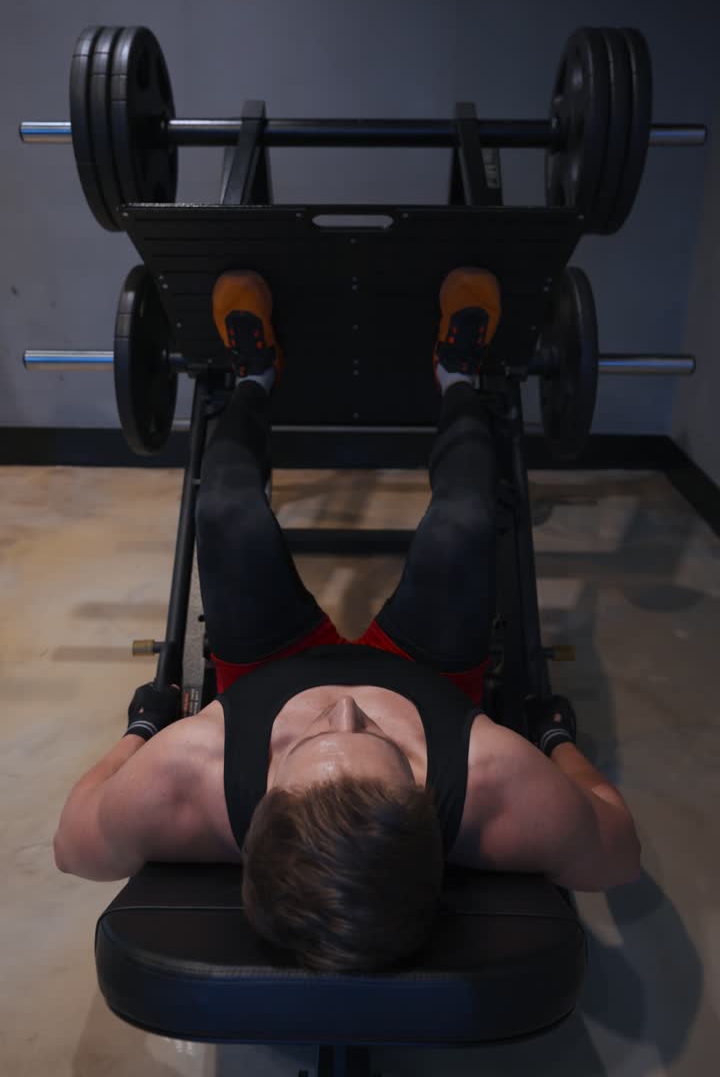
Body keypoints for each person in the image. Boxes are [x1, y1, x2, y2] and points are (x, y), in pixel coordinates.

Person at [54, 269, 641, 973]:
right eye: (380, 741)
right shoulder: (495, 785)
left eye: (307, 742)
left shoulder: (187, 778)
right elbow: (618, 846)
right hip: (426, 672)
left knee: (226, 515)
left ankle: (253, 379)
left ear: (252, 813)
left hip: (268, 668)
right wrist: (552, 739)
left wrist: (140, 730)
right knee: (464, 523)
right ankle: (457, 379)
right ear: (432, 813)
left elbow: (71, 842)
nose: (345, 711)